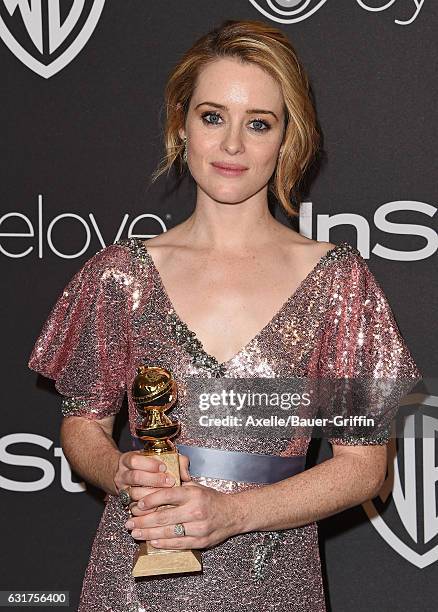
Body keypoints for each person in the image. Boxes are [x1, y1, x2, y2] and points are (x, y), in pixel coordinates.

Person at [28, 19, 422, 612]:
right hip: (135, 580)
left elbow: (365, 468)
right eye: (213, 117)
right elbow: (83, 426)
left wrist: (234, 514)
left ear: (288, 138)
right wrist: (124, 473)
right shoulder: (118, 275)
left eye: (258, 123)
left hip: (274, 581)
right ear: (181, 126)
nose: (232, 145)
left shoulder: (341, 282)